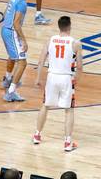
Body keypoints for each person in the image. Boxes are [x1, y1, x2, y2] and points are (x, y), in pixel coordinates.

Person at [33, 15, 84, 152]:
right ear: (70, 26)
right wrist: (78, 79)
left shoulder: (50, 40)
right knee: (69, 110)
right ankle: (67, 142)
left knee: (45, 105)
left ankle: (37, 135)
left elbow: (41, 60)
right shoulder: (76, 43)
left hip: (52, 77)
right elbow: (79, 66)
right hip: (66, 78)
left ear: (59, 26)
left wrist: (38, 78)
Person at [0, 0, 31, 103]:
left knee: (12, 56)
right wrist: (23, 40)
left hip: (4, 30)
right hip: (12, 32)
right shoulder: (22, 3)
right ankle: (11, 92)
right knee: (22, 63)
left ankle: (7, 79)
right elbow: (16, 23)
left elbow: (8, 14)